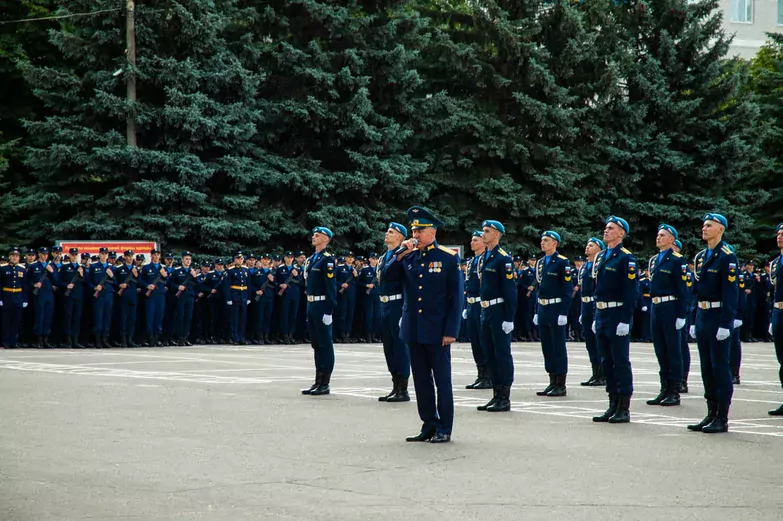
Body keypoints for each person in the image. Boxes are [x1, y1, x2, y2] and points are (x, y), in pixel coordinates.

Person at [381, 206, 463, 443]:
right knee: (420, 380)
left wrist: (451, 330)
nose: (415, 235)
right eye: (414, 231)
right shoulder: (409, 256)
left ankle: (444, 427)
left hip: (437, 329)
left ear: (432, 232)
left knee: (442, 380)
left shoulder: (448, 257)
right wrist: (400, 254)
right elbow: (386, 277)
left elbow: (456, 297)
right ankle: (428, 423)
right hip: (413, 328)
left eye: (420, 231)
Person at [687, 213, 738, 434]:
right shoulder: (701, 257)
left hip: (718, 316)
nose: (704, 228)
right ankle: (711, 412)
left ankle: (722, 417)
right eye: (704, 225)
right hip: (703, 315)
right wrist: (693, 319)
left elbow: (731, 293)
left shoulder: (727, 256)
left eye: (709, 225)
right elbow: (696, 291)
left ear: (720, 229)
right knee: (706, 367)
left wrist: (726, 323)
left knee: (720, 367)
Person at [592, 216, 638, 424]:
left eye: (611, 228)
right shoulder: (602, 256)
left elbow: (631, 292)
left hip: (617, 314)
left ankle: (623, 407)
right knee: (606, 362)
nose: (606, 231)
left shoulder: (626, 258)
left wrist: (625, 320)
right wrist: (596, 314)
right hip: (602, 313)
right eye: (606, 228)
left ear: (621, 233)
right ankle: (612, 404)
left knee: (620, 361)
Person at [476, 220, 517, 412]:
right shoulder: (485, 256)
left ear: (497, 234)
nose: (483, 234)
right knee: (489, 354)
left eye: (487, 231)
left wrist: (509, 317)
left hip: (499, 311)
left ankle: (504, 397)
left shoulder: (502, 258)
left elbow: (510, 291)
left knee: (501, 354)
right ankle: (495, 394)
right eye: (483, 231)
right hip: (486, 311)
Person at [646, 224, 689, 407]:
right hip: (656, 307)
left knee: (673, 351)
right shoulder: (654, 260)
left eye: (662, 235)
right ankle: (664, 389)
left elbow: (683, 289)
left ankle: (674, 391)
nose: (658, 238)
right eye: (658, 235)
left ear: (671, 239)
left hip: (670, 306)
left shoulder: (677, 260)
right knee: (660, 350)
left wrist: (681, 314)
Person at [533, 231, 573, 397]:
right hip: (543, 308)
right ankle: (552, 381)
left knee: (558, 346)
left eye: (546, 240)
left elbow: (567, 290)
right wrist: (536, 310)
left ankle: (560, 384)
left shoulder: (562, 262)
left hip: (556, 308)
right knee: (547, 347)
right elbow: (539, 288)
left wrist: (563, 312)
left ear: (555, 243)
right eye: (542, 240)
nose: (542, 243)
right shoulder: (541, 262)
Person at [377, 222, 412, 402]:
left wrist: (406, 310)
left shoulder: (403, 255)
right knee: (389, 347)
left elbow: (408, 284)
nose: (387, 234)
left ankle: (403, 389)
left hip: (398, 304)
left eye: (391, 232)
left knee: (399, 347)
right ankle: (395, 385)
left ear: (400, 236)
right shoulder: (385, 256)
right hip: (385, 305)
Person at [301, 226, 338, 396]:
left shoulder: (327, 260)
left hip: (322, 305)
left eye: (317, 235)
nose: (313, 237)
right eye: (313, 234)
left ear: (325, 239)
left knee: (325, 344)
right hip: (312, 305)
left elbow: (331, 287)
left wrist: (329, 310)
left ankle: (325, 382)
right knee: (316, 344)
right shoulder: (311, 259)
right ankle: (318, 381)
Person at [464, 230, 491, 390]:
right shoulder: (471, 261)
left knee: (483, 341)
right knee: (475, 341)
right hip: (471, 304)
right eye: (472, 240)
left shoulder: (485, 260)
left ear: (483, 242)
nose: (472, 243)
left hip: (481, 304)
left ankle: (488, 376)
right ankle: (480, 374)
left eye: (475, 240)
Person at [579, 238, 605, 386]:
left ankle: (602, 374)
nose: (587, 247)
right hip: (585, 305)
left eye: (591, 245)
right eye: (587, 245)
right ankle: (595, 373)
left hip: (595, 305)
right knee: (589, 342)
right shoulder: (584, 267)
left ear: (599, 249)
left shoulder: (599, 265)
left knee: (598, 342)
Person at [28, 246, 58, 348]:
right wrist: (34, 285)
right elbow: (27, 281)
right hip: (39, 294)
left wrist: (52, 272)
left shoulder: (51, 266)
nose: (45, 256)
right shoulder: (33, 266)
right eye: (43, 254)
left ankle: (46, 338)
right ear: (39, 254)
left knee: (48, 316)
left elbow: (57, 281)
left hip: (49, 293)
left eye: (46, 254)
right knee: (39, 316)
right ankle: (38, 339)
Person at [86, 247, 116, 348]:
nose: (104, 256)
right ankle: (97, 340)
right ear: (99, 255)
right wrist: (94, 287)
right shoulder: (94, 267)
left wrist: (112, 276)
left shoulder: (112, 268)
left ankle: (105, 339)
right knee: (98, 317)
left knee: (107, 318)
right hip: (98, 295)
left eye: (106, 254)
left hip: (108, 295)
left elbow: (116, 283)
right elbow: (88, 281)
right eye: (102, 254)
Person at [0, 247, 28, 349]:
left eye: (16, 256)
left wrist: (25, 299)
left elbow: (25, 286)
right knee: (6, 320)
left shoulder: (22, 269)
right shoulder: (3, 268)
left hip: (18, 296)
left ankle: (13, 341)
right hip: (7, 296)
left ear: (19, 257)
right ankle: (6, 341)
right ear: (9, 257)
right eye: (12, 256)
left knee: (16, 320)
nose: (14, 258)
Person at [140, 249, 169, 347]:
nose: (156, 257)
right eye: (154, 255)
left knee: (159, 317)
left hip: (160, 295)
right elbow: (140, 280)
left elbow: (168, 281)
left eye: (158, 255)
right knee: (150, 317)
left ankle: (157, 338)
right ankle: (150, 338)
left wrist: (165, 276)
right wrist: (147, 286)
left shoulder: (163, 268)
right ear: (151, 256)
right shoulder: (146, 268)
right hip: (151, 295)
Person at [769, 223, 783, 415]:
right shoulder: (775, 263)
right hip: (779, 312)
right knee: (782, 359)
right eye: (778, 233)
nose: (779, 236)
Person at [170, 251, 199, 346]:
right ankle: (179, 338)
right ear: (182, 260)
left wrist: (195, 277)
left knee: (188, 317)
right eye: (186, 259)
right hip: (181, 297)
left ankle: (186, 337)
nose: (188, 261)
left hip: (190, 296)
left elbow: (198, 285)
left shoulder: (192, 272)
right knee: (180, 317)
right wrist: (177, 287)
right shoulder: (177, 271)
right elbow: (170, 283)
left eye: (189, 259)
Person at [59, 248, 86, 348]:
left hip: (78, 296)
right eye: (72, 254)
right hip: (69, 295)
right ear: (69, 255)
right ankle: (68, 340)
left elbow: (86, 281)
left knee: (77, 318)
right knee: (68, 317)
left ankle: (75, 340)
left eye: (76, 254)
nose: (74, 256)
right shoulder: (65, 267)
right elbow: (59, 281)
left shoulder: (81, 268)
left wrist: (82, 275)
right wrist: (66, 285)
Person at [114, 250, 139, 347]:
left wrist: (136, 276)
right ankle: (123, 339)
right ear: (124, 257)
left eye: (131, 256)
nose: (130, 258)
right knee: (123, 318)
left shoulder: (135, 269)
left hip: (133, 296)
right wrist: (120, 285)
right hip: (123, 296)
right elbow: (115, 281)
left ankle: (130, 339)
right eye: (128, 256)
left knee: (132, 319)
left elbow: (140, 282)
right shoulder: (119, 269)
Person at [225, 252, 250, 345]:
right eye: (238, 259)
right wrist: (228, 298)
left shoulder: (246, 270)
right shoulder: (230, 270)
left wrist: (248, 297)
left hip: (243, 296)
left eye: (241, 259)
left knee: (243, 318)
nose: (240, 260)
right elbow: (227, 286)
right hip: (235, 296)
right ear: (235, 260)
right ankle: (235, 337)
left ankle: (241, 337)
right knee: (235, 318)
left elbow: (249, 284)